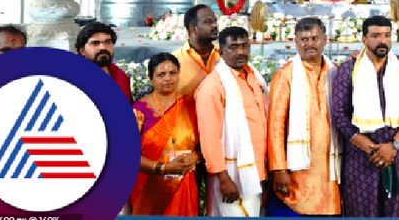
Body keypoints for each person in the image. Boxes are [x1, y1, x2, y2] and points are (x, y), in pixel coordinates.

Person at [331, 15, 399, 217]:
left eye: (387, 35)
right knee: (362, 211)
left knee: (396, 211)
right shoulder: (348, 70)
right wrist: (369, 148)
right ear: (364, 39)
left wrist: (394, 146)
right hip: (361, 156)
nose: (382, 40)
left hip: (397, 154)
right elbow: (339, 114)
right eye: (375, 36)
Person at [267, 17, 341, 216]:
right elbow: (275, 126)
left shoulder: (335, 72)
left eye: (315, 38)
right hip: (298, 170)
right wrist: (279, 169)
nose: (309, 44)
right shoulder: (285, 75)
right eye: (304, 39)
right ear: (296, 42)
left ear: (325, 39)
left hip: (329, 168)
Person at [196, 26, 269, 216]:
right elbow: (209, 137)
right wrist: (223, 178)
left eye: (245, 46)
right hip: (231, 175)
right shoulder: (213, 86)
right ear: (221, 51)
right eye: (233, 47)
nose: (241, 52)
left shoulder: (254, 77)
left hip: (255, 170)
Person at [130, 53, 200, 215]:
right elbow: (128, 155)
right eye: (161, 74)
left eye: (172, 73)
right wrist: (164, 168)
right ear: (151, 78)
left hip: (184, 183)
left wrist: (195, 156)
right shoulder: (138, 110)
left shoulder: (191, 105)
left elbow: (204, 143)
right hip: (149, 186)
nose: (168, 78)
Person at [76, 21, 131, 102]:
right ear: (82, 51)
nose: (103, 47)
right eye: (95, 43)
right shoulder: (74, 79)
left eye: (108, 42)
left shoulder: (119, 75)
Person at [173, 4, 220, 98]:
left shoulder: (224, 55)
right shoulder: (174, 61)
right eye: (208, 22)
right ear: (193, 28)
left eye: (215, 21)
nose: (215, 25)